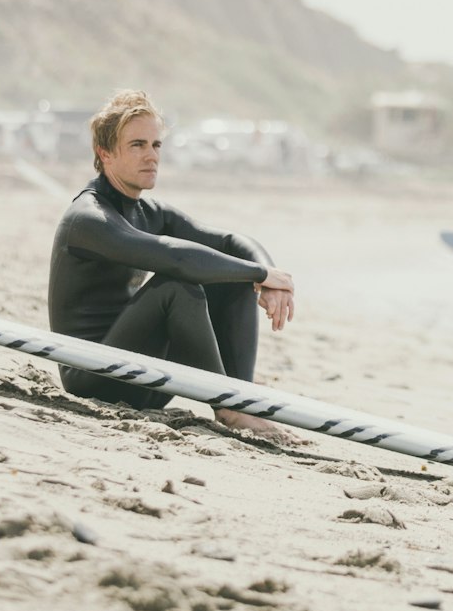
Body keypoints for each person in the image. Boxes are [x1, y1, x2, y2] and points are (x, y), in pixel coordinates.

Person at [48, 89, 298, 441]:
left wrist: (268, 276)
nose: (151, 156)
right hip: (94, 379)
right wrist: (260, 274)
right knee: (177, 286)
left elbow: (229, 243)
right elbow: (176, 258)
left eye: (156, 145)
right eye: (137, 145)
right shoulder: (88, 219)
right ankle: (228, 408)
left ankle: (241, 398)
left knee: (231, 274)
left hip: (147, 379)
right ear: (104, 153)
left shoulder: (150, 212)